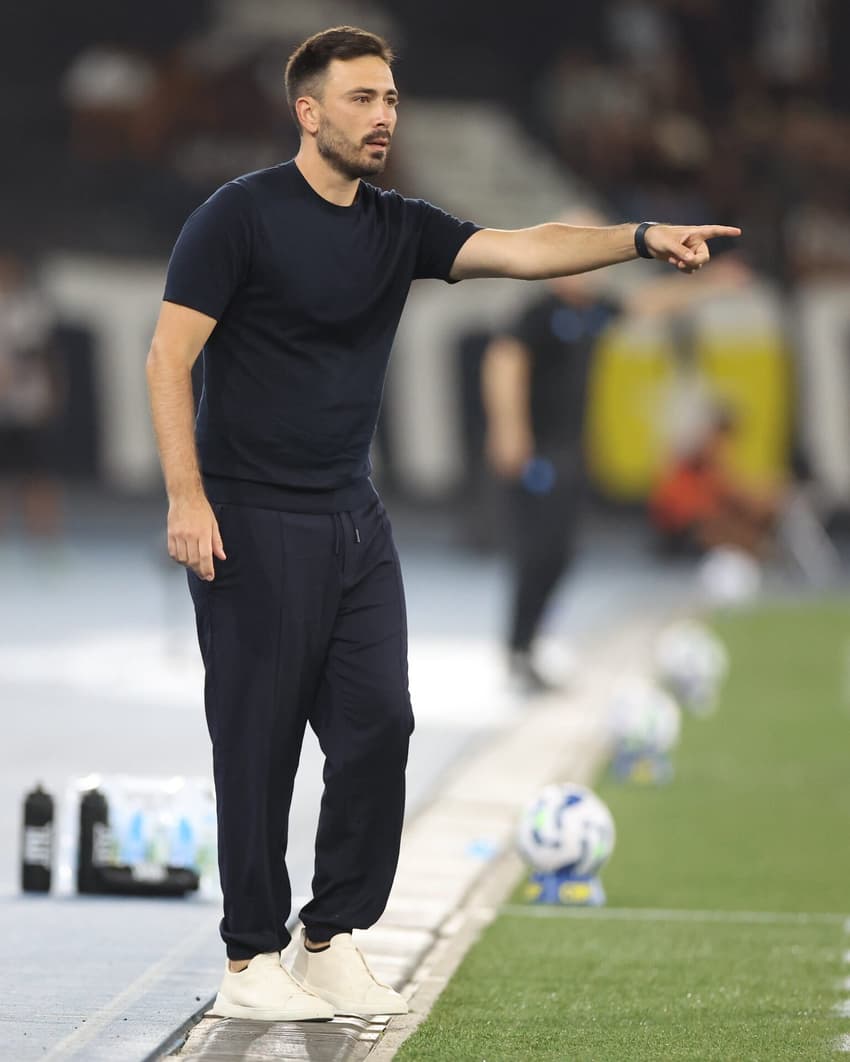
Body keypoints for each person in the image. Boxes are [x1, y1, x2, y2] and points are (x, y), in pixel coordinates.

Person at [145, 25, 740, 1023]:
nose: (384, 116)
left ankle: (329, 938)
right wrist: (186, 496)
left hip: (351, 516)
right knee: (257, 746)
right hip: (250, 516)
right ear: (308, 111)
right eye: (363, 98)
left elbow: (526, 246)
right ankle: (250, 964)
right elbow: (167, 359)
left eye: (389, 99)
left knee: (380, 724)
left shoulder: (397, 226)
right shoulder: (235, 219)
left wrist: (638, 241)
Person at [481, 213, 750, 692]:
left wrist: (712, 287)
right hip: (538, 452)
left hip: (570, 451)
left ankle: (529, 646)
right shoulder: (539, 311)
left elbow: (648, 304)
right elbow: (504, 360)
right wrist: (509, 428)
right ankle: (518, 650)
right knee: (539, 553)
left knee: (561, 553)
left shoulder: (591, 313)